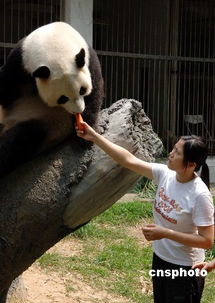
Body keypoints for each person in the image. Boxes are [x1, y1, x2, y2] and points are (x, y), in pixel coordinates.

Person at [76, 122, 214, 303]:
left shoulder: (199, 195)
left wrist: (165, 233)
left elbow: (206, 241)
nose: (171, 153)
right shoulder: (166, 174)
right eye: (174, 148)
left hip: (186, 269)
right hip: (161, 259)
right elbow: (127, 160)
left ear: (190, 164)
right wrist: (94, 136)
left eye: (177, 152)